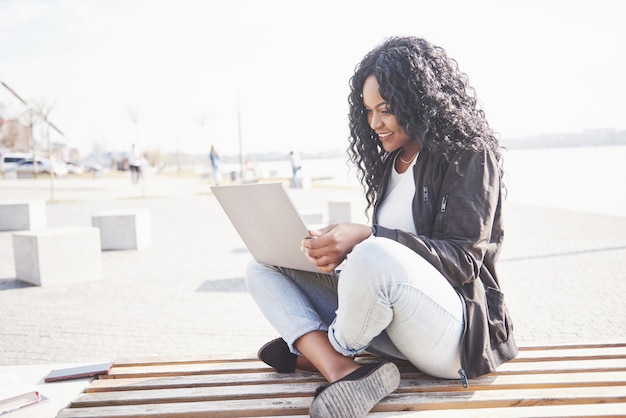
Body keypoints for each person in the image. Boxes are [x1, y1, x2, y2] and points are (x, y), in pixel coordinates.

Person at [245, 36, 518, 418]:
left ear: (419, 100)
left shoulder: (469, 155)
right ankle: (343, 370)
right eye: (368, 110)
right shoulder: (391, 162)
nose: (375, 123)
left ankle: (319, 349)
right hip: (395, 329)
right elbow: (384, 262)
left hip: (454, 335)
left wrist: (368, 238)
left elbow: (463, 260)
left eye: (386, 109)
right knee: (264, 266)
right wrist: (334, 247)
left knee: (373, 252)